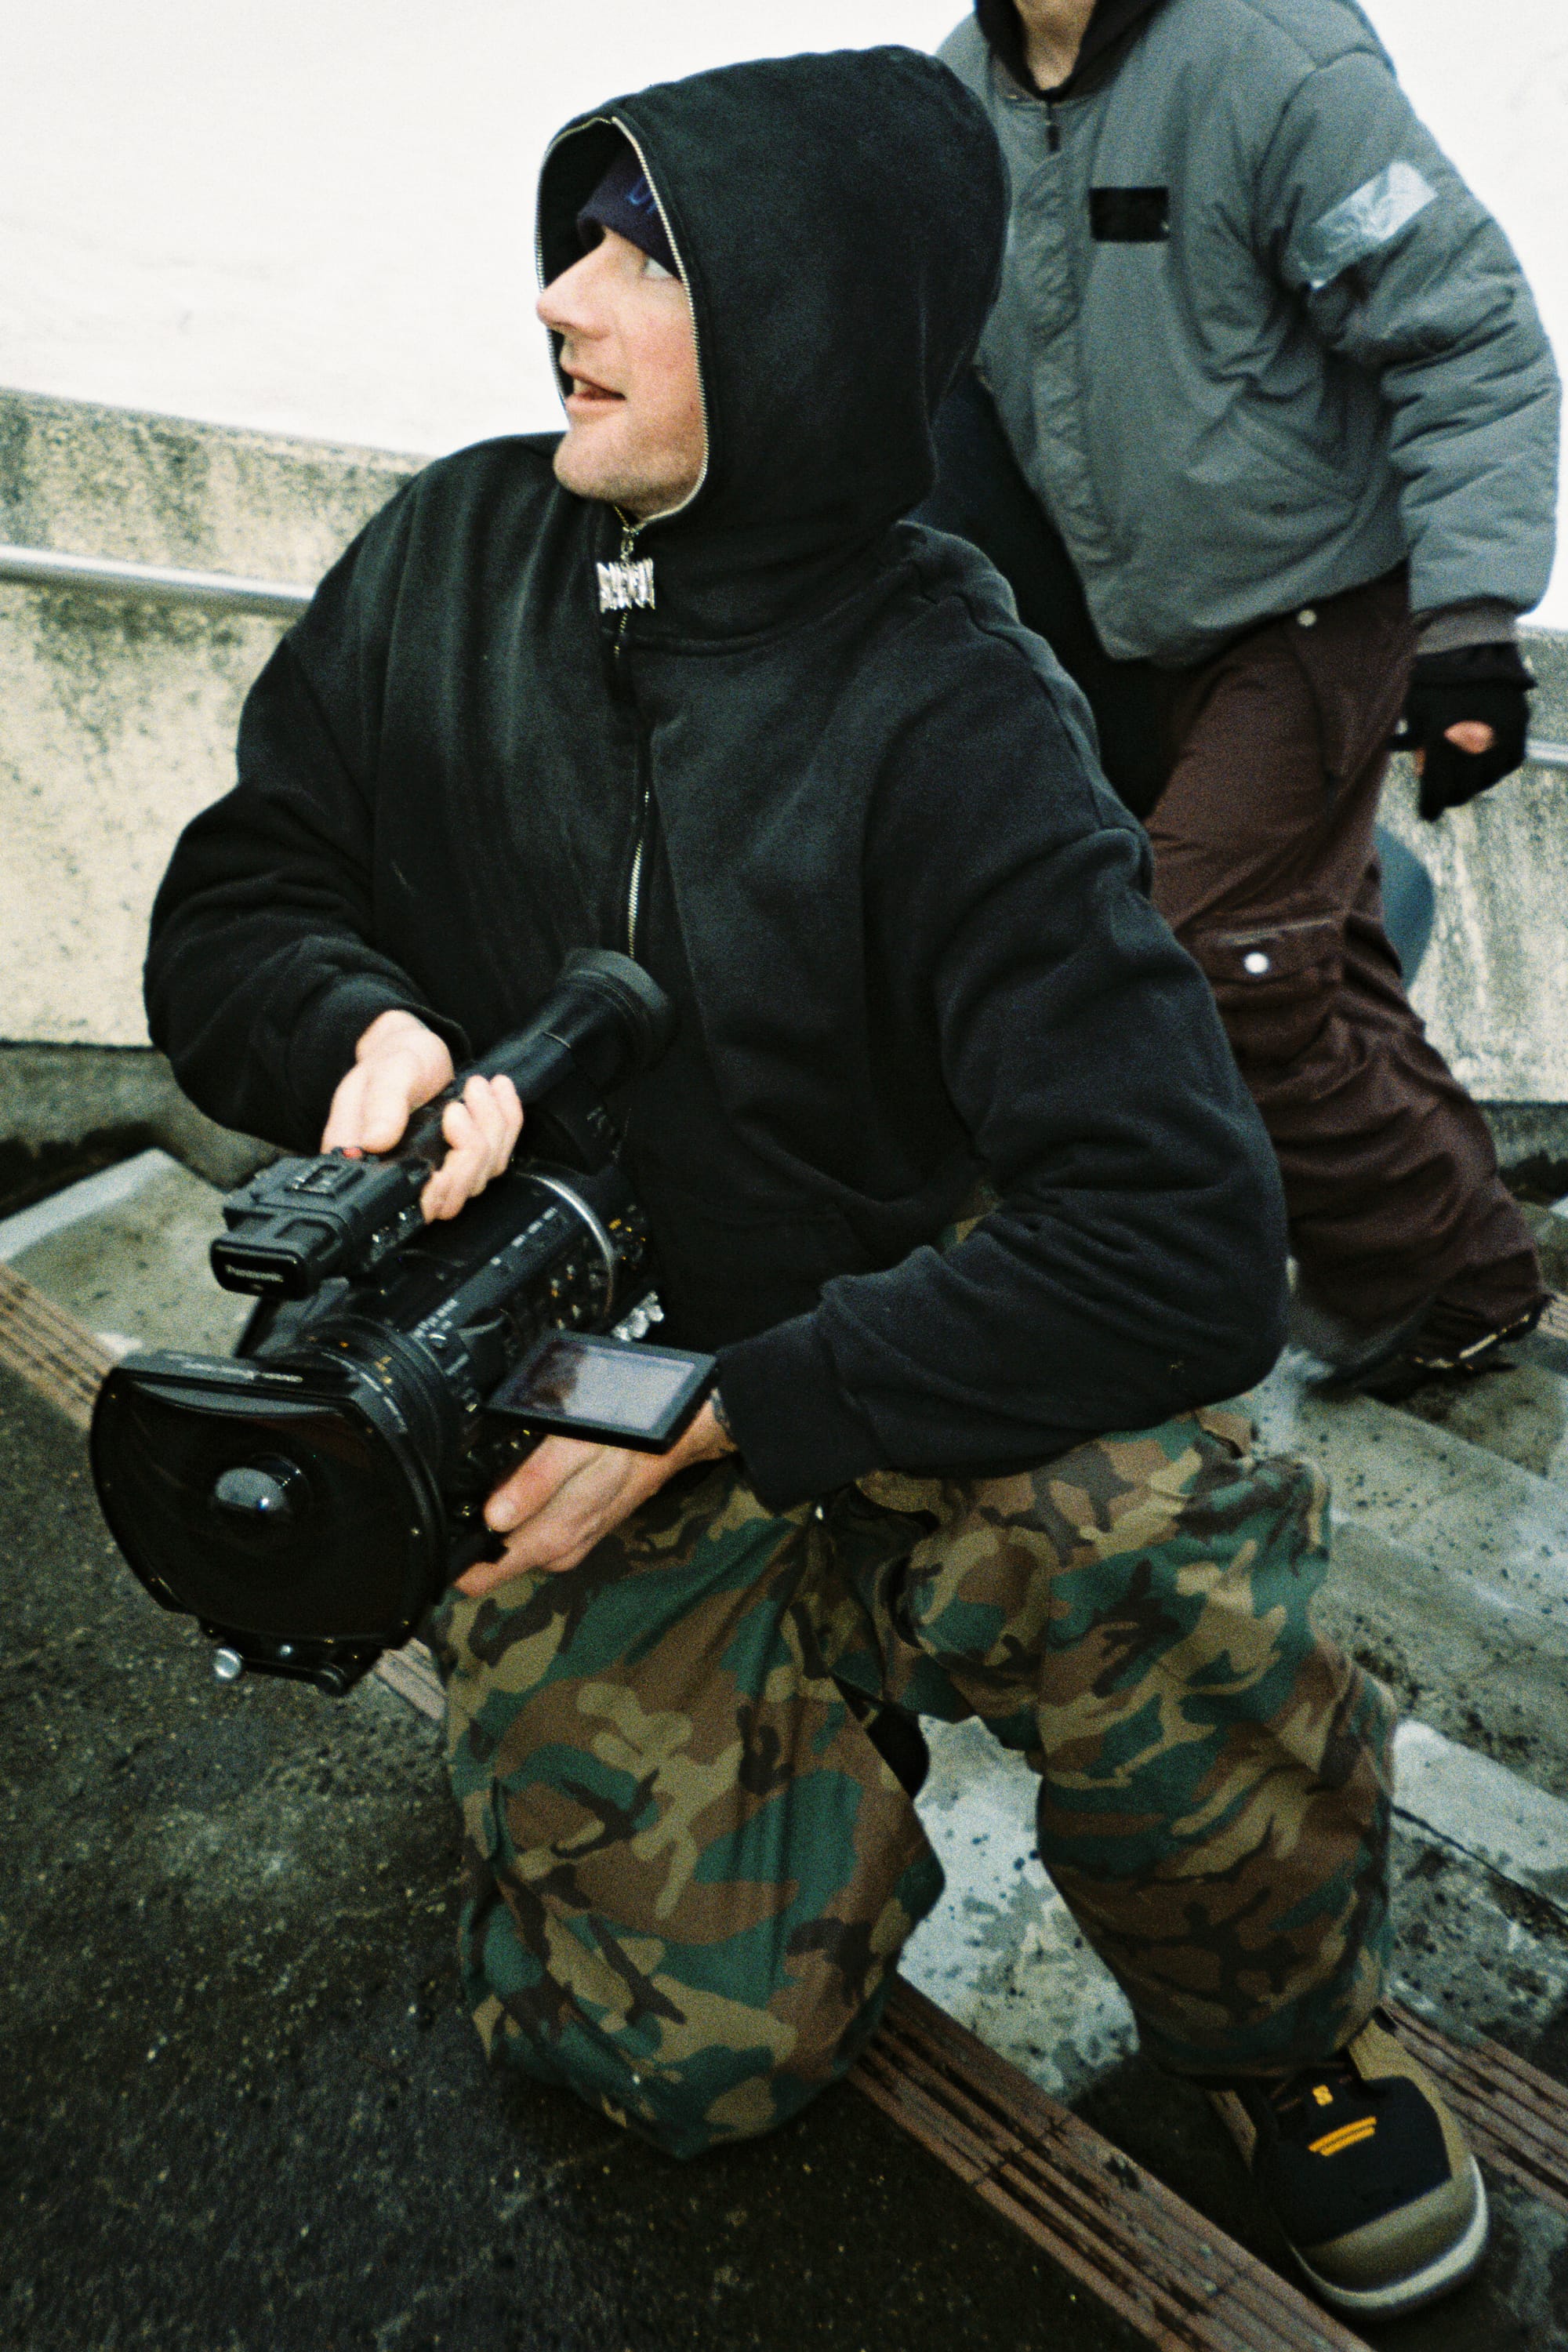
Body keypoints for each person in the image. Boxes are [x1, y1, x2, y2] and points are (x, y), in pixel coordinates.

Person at [145, 48, 1483, 2321]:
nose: (563, 300)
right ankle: (786, 1731)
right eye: (573, 238)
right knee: (672, 2065)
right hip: (565, 1381)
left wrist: (735, 1408)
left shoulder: (956, 693)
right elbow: (237, 896)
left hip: (877, 1345)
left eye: (646, 259)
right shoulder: (450, 552)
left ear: (810, 326)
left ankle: (1293, 2044)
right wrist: (352, 1024)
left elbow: (1181, 1236)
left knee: (1162, 1549)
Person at [927, 0, 1561, 1398]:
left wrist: (1470, 628)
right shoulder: (961, 93)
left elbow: (1467, 336)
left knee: (1195, 962)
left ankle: (1416, 1265)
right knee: (1300, 947)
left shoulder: (1267, 63)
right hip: (1139, 628)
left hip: (1323, 600)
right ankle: (1470, 1276)